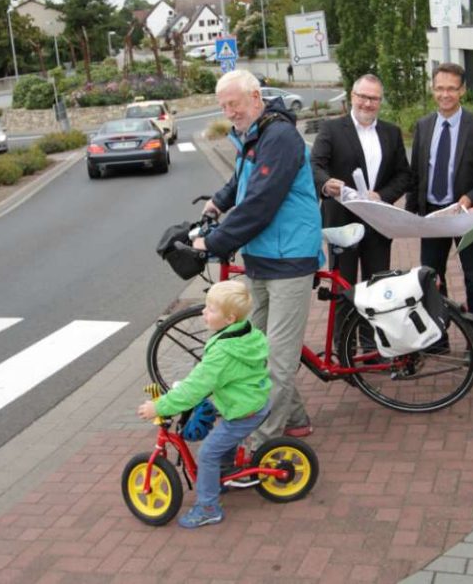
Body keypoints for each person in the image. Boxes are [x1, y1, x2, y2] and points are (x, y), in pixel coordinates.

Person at [192, 69, 323, 444]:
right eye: (223, 107)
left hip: (289, 258)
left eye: (233, 104)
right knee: (258, 352)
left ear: (254, 97)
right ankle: (296, 417)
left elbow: (262, 201)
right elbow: (241, 182)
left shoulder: (279, 136)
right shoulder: (253, 134)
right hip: (261, 258)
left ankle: (260, 444)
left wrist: (214, 242)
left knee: (278, 361)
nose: (229, 112)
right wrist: (216, 205)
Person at [137, 280, 271, 528]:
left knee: (208, 453)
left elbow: (194, 388)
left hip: (244, 410)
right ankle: (225, 471)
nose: (203, 312)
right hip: (251, 399)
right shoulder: (245, 331)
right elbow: (208, 375)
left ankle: (209, 508)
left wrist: (160, 407)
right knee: (220, 438)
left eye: (210, 309)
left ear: (229, 318)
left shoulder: (222, 353)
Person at [311, 73, 412, 338]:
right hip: (341, 223)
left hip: (377, 221)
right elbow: (315, 165)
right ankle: (344, 349)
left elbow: (404, 174)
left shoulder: (391, 132)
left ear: (380, 101)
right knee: (344, 286)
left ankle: (373, 347)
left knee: (376, 287)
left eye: (374, 98)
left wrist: (382, 195)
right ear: (352, 96)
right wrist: (325, 184)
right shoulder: (331, 129)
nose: (368, 103)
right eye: (363, 97)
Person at [406, 63, 473, 343]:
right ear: (432, 89)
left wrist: (471, 198)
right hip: (433, 215)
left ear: (462, 90)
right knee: (430, 278)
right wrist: (410, 216)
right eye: (440, 88)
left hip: (465, 215)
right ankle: (438, 336)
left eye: (452, 88)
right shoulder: (423, 125)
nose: (445, 94)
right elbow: (416, 172)